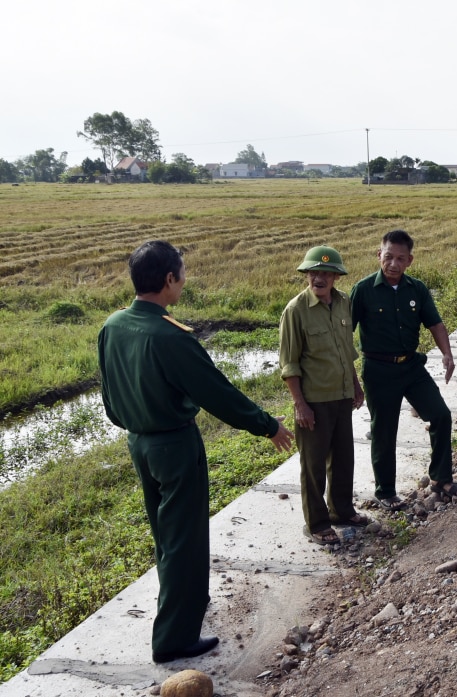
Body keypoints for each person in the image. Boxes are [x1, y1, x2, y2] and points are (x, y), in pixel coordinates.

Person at [98, 240, 294, 664]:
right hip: (174, 444)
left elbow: (110, 398)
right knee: (184, 540)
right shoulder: (169, 336)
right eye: (182, 275)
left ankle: (182, 607)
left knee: (166, 536)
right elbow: (217, 393)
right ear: (169, 279)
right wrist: (267, 424)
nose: (184, 283)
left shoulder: (113, 325)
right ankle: (174, 638)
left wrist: (135, 427)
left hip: (139, 443)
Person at [350, 229, 457, 509]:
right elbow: (345, 336)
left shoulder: (417, 289)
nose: (393, 264)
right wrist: (353, 379)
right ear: (379, 255)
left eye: (400, 259)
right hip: (378, 369)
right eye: (388, 257)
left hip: (411, 366)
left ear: (409, 261)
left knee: (440, 414)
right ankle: (386, 492)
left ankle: (441, 478)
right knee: (384, 430)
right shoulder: (363, 290)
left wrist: (447, 354)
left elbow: (435, 323)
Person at [279, 246, 369, 546]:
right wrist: (300, 405)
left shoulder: (343, 302)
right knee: (313, 465)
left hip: (342, 395)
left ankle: (341, 511)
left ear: (335, 276)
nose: (318, 278)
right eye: (313, 272)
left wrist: (355, 386)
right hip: (314, 401)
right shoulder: (295, 311)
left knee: (344, 458)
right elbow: (289, 364)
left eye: (325, 273)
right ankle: (317, 523)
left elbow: (346, 350)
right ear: (306, 275)